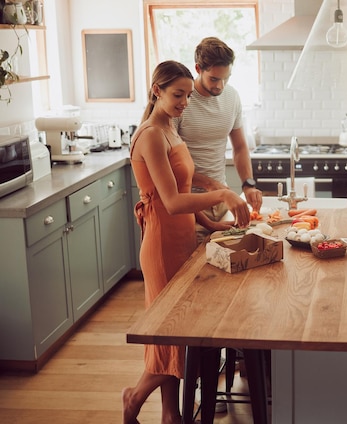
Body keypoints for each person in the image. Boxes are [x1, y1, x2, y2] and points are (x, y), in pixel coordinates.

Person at [122, 60, 250, 424]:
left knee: (172, 334)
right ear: (156, 91)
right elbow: (173, 202)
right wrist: (224, 195)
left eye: (187, 96)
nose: (184, 102)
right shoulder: (149, 134)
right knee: (173, 335)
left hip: (182, 239)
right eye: (178, 95)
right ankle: (133, 398)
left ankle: (170, 414)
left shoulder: (170, 129)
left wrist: (209, 225)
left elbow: (180, 191)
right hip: (162, 245)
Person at [174, 36, 263, 240]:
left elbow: (240, 147)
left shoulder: (232, 97)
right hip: (189, 202)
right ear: (198, 69)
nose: (220, 86)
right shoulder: (181, 102)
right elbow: (170, 165)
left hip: (222, 202)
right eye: (214, 79)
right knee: (194, 269)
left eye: (226, 78)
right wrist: (209, 184)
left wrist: (248, 185)